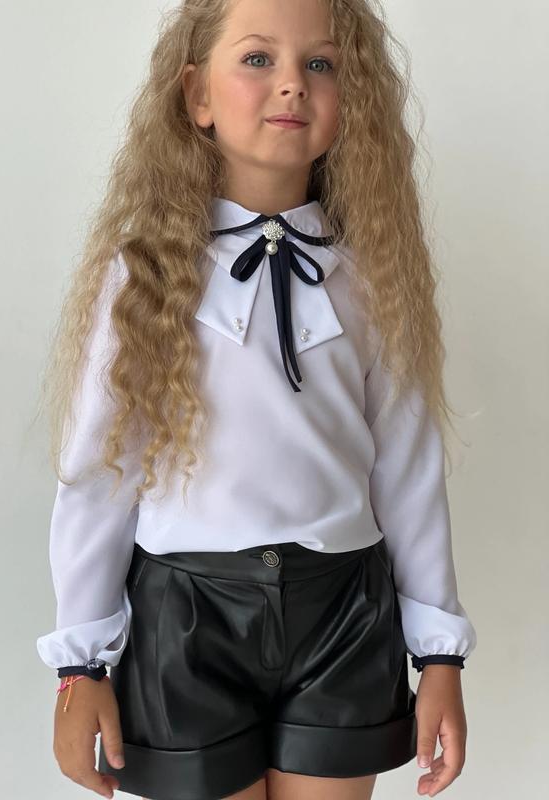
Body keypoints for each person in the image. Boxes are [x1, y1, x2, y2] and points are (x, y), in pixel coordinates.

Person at [35, 1, 478, 799]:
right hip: (186, 620)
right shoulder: (142, 280)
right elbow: (100, 475)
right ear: (197, 95)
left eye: (321, 64)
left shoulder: (373, 280)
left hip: (345, 617)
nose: (292, 84)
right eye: (257, 59)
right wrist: (81, 666)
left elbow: (409, 470)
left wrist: (439, 652)